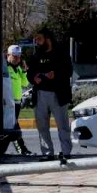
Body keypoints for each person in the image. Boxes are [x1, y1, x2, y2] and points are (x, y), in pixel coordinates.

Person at [27, 29, 74, 161]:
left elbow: (68, 71)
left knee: (62, 125)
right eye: (36, 39)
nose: (37, 41)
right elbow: (29, 73)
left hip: (58, 94)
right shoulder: (36, 55)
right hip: (40, 94)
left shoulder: (61, 53)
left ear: (48, 39)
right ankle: (47, 153)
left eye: (39, 38)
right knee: (42, 125)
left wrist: (55, 74)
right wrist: (33, 78)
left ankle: (66, 152)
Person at [6, 45, 33, 157]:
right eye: (14, 56)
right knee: (15, 126)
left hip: (17, 102)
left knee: (14, 125)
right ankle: (21, 149)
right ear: (8, 55)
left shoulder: (17, 69)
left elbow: (25, 83)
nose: (17, 59)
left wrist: (24, 71)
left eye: (19, 56)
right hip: (8, 102)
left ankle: (22, 148)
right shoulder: (5, 68)